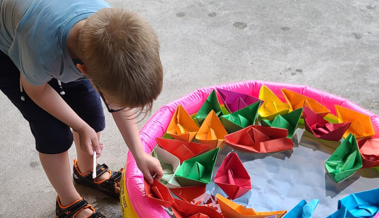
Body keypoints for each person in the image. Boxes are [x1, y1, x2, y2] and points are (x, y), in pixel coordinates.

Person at [0, 0, 164, 217]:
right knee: (53, 135)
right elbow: (36, 91)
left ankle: (87, 171)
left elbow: (118, 102)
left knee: (91, 116)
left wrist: (139, 154)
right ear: (84, 70)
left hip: (59, 43)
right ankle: (68, 202)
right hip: (13, 51)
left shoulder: (105, 38)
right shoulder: (43, 51)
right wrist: (78, 125)